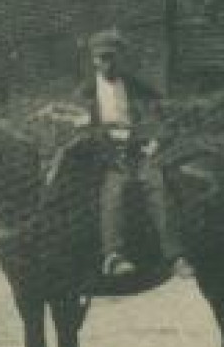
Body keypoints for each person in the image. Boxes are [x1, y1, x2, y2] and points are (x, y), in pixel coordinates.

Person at [74, 30, 189, 280]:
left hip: (137, 148)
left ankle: (175, 256)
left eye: (112, 57)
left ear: (120, 58)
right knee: (114, 189)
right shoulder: (86, 92)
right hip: (105, 153)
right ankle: (113, 255)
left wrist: (155, 138)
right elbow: (81, 126)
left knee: (156, 182)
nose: (108, 63)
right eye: (102, 58)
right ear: (94, 60)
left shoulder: (133, 84)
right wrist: (97, 135)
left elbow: (159, 110)